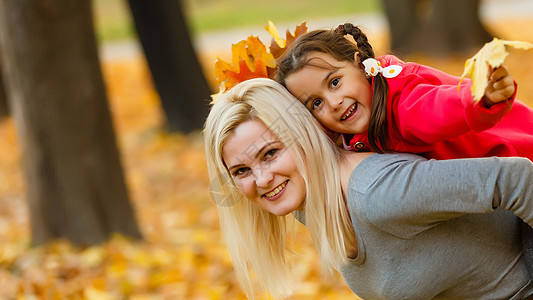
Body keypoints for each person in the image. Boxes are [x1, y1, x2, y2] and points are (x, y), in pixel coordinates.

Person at [204, 77, 533, 299]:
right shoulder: (313, 202)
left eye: (271, 153)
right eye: (241, 170)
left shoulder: (377, 192)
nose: (261, 180)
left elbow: (518, 179)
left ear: (303, 136)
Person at [274, 23, 533, 160]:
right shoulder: (351, 125)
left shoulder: (399, 102)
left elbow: (436, 108)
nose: (333, 102)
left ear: (360, 65)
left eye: (334, 82)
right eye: (316, 103)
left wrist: (480, 98)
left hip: (520, 156)